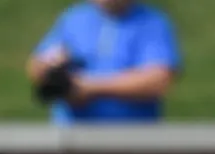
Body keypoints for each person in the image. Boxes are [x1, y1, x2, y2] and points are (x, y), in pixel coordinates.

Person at [27, 0, 181, 124]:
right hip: (72, 139)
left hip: (131, 142)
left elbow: (157, 80)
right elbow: (37, 65)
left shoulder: (151, 22)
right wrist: (52, 69)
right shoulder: (74, 18)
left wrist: (90, 87)